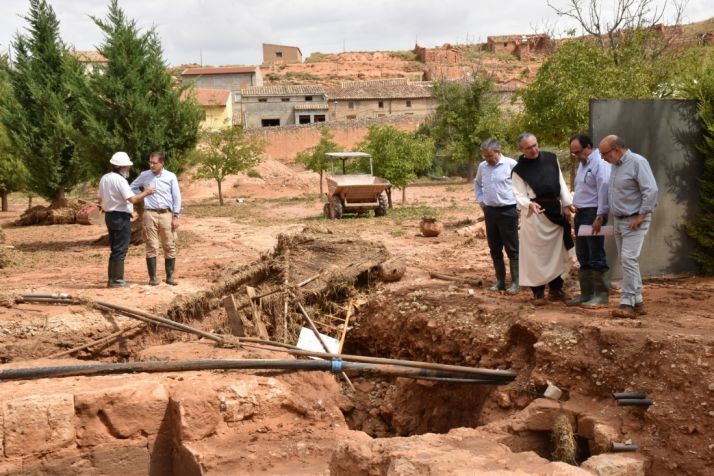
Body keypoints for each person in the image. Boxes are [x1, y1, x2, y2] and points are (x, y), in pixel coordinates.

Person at [598, 135, 658, 319]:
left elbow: (651, 190)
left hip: (634, 220)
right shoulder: (615, 166)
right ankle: (638, 301)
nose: (602, 158)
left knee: (628, 259)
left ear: (616, 150)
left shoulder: (637, 162)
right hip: (620, 220)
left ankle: (627, 303)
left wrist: (641, 215)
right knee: (628, 261)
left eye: (604, 154)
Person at [511, 133, 574, 304]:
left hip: (555, 212)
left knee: (557, 252)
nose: (533, 150)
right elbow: (518, 193)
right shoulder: (518, 170)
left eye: (535, 145)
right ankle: (538, 292)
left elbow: (560, 182)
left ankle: (556, 289)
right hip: (535, 216)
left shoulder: (551, 158)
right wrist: (528, 204)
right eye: (529, 148)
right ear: (521, 150)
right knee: (536, 255)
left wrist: (567, 205)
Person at [97, 152, 154, 288]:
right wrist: (146, 192)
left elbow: (99, 198)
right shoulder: (120, 180)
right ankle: (117, 281)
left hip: (109, 215)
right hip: (120, 216)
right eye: (127, 167)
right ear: (121, 167)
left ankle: (112, 279)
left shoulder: (104, 178)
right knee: (120, 249)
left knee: (115, 248)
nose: (128, 169)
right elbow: (132, 199)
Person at [567, 133, 612, 307]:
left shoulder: (600, 163)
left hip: (593, 213)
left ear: (588, 147)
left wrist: (600, 215)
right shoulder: (583, 164)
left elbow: (603, 190)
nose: (577, 156)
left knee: (596, 254)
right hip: (581, 213)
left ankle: (601, 295)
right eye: (574, 153)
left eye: (578, 152)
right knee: (583, 254)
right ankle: (586, 293)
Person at [474, 138, 519, 294]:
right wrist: (480, 200)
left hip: (508, 211)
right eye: (485, 157)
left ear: (498, 152)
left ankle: (515, 282)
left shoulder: (511, 164)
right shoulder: (482, 167)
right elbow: (477, 183)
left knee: (512, 248)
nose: (488, 159)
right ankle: (500, 281)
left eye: (490, 156)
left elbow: (522, 185)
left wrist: (519, 206)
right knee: (494, 248)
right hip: (490, 212)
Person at [130, 151, 182, 286]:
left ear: (162, 163)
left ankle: (169, 276)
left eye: (154, 163)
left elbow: (176, 197)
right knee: (151, 245)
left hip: (166, 214)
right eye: (150, 162)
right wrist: (143, 194)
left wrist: (176, 216)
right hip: (149, 214)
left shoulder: (171, 177)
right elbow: (132, 187)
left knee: (169, 245)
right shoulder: (144, 175)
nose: (151, 165)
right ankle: (153, 278)